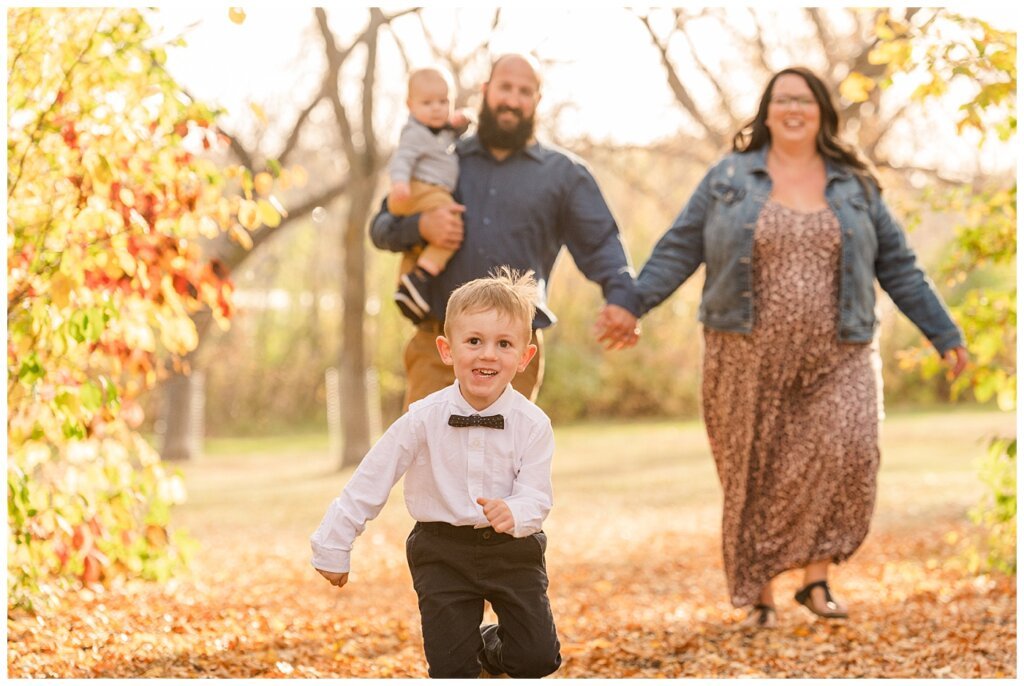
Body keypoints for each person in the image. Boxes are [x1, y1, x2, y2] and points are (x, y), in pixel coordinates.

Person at [633, 67, 968, 628]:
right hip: (743, 351)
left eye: (804, 99)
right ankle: (761, 591)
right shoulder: (728, 178)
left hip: (842, 351)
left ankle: (816, 580)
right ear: (766, 110)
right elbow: (679, 247)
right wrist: (631, 303)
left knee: (848, 451)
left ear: (822, 113)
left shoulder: (855, 184)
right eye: (782, 99)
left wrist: (944, 332)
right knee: (755, 468)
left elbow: (900, 267)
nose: (793, 108)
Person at [311, 269, 562, 678]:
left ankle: (487, 647)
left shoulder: (532, 424)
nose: (488, 355)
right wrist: (334, 544)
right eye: (474, 341)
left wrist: (515, 511)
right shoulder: (423, 419)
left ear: (524, 357)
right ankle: (460, 649)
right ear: (447, 350)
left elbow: (537, 494)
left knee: (536, 658)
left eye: (504, 344)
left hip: (512, 549)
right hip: (441, 551)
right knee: (450, 669)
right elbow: (371, 478)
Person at [371, 52, 641, 411]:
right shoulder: (444, 159)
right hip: (440, 345)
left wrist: (623, 299)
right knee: (428, 461)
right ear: (485, 90)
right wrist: (420, 225)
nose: (513, 100)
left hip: (512, 351)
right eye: (505, 88)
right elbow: (381, 228)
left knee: (503, 465)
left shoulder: (564, 175)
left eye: (525, 92)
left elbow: (601, 242)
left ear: (537, 101)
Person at [386, 66, 471, 323]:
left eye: (443, 101)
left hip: (423, 194)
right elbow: (402, 159)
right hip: (419, 191)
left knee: (417, 247)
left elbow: (451, 134)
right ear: (410, 105)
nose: (437, 108)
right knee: (452, 223)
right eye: (427, 103)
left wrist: (461, 122)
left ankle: (408, 289)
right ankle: (421, 276)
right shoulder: (415, 133)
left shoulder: (438, 131)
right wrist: (400, 182)